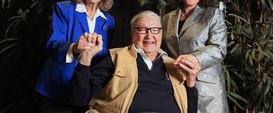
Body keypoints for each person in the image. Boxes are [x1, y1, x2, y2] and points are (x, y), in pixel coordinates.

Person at [70, 10, 200, 113]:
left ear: (161, 34)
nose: (149, 36)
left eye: (155, 30)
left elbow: (190, 110)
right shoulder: (115, 58)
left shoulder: (174, 65)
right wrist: (85, 58)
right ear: (133, 34)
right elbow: (80, 99)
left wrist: (191, 80)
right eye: (142, 30)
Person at [35, 0, 115, 113]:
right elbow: (52, 45)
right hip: (57, 89)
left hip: (86, 91)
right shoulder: (64, 9)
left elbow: (103, 59)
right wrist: (75, 48)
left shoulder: (108, 21)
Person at [162, 0, 228, 113]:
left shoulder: (213, 14)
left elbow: (219, 48)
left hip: (207, 90)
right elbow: (162, 49)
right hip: (176, 85)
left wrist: (192, 58)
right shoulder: (167, 18)